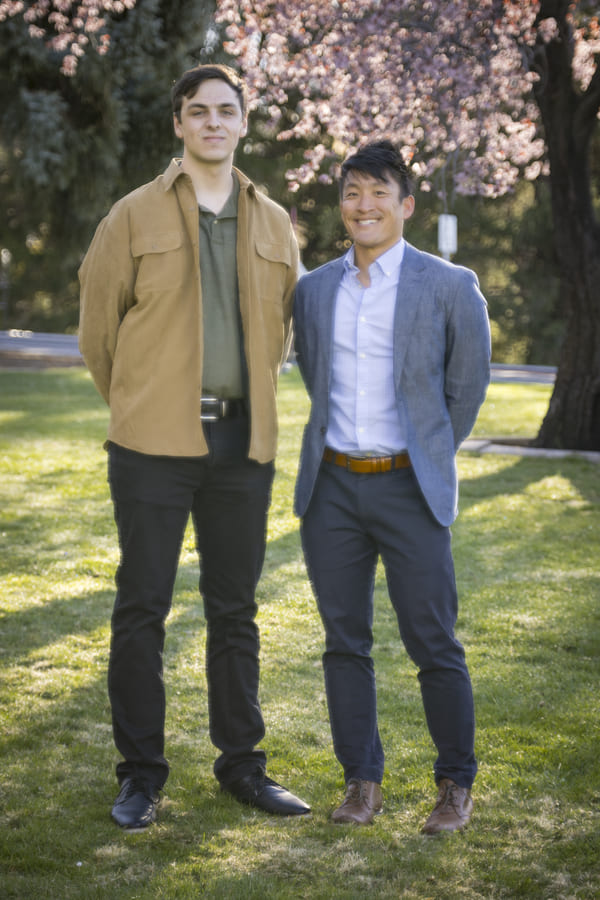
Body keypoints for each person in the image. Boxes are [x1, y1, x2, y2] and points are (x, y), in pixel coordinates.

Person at [78, 64, 310, 830]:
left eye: (227, 111)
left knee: (235, 610)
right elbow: (98, 332)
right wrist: (146, 402)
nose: (213, 122)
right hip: (152, 444)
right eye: (198, 111)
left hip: (243, 443)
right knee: (142, 608)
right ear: (178, 124)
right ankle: (141, 775)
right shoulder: (132, 216)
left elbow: (281, 329)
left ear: (244, 125)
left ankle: (243, 766)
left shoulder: (274, 221)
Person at [293, 140, 490, 833]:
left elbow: (465, 389)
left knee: (433, 640)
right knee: (344, 640)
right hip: (333, 491)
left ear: (405, 205)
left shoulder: (449, 285)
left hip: (410, 488)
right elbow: (314, 378)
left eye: (379, 192)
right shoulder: (314, 290)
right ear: (341, 206)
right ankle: (362, 782)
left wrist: (429, 453)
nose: (364, 205)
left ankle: (454, 786)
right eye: (352, 193)